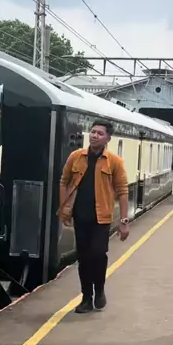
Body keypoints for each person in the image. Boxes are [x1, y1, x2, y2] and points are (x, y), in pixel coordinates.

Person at [59, 120, 129, 313]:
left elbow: (122, 192)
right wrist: (64, 208)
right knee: (83, 258)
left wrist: (124, 222)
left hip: (101, 218)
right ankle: (86, 298)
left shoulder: (114, 161)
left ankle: (99, 290)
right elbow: (64, 182)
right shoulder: (76, 157)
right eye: (93, 132)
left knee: (98, 254)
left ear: (107, 138)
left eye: (100, 133)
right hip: (80, 216)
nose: (94, 135)